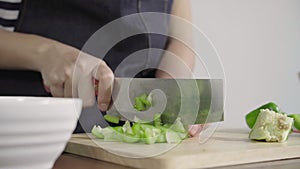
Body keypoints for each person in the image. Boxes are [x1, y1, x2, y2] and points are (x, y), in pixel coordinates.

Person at [0, 0, 202, 136]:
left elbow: (181, 41)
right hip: (32, 131)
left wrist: (170, 92)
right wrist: (46, 53)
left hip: (133, 139)